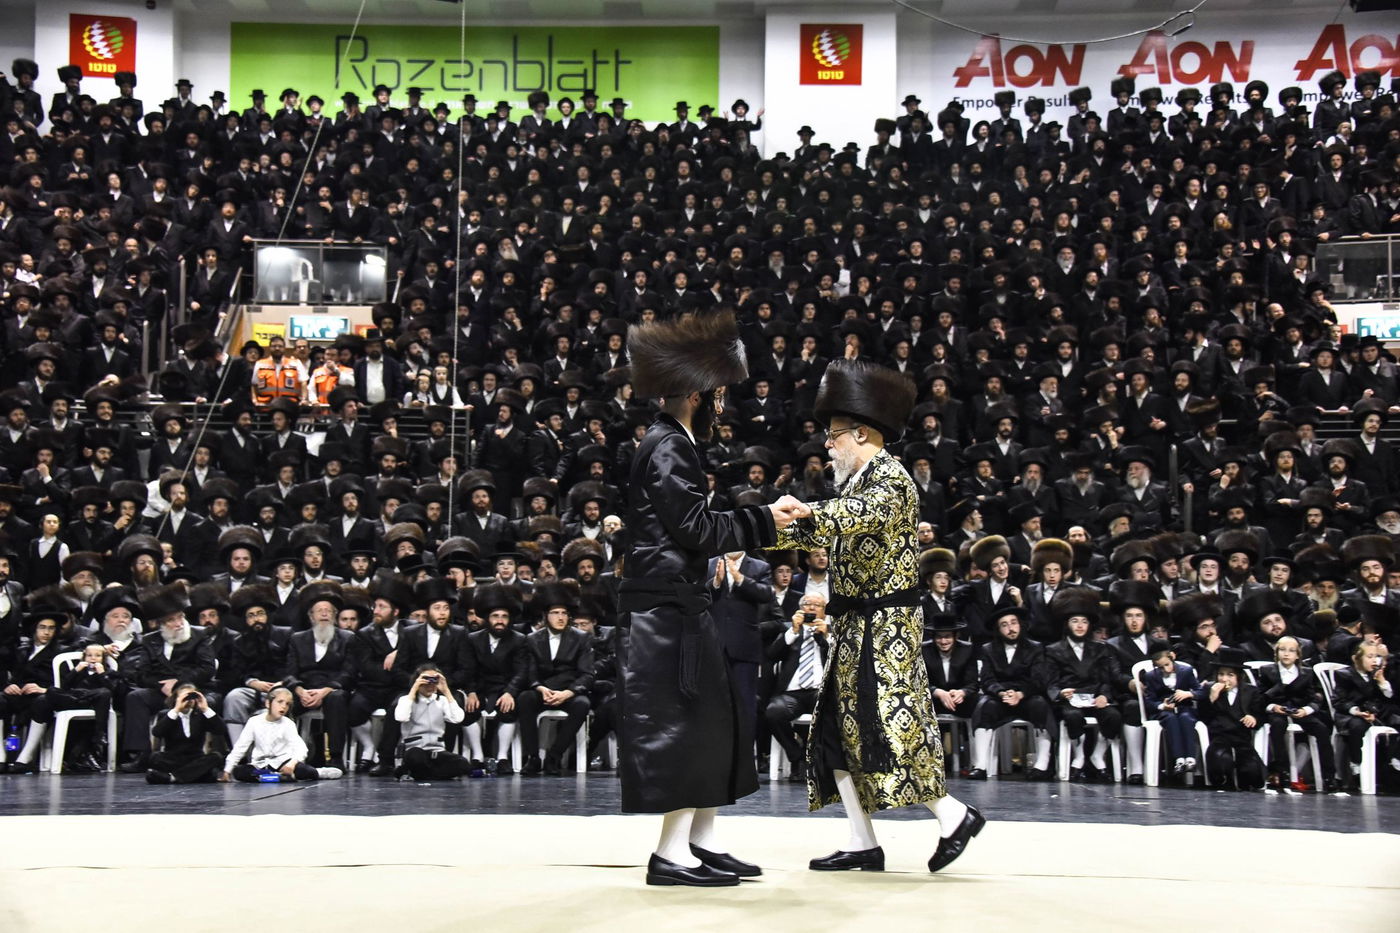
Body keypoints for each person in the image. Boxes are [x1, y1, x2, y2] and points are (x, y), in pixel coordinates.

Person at [777, 360, 981, 875]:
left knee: (890, 728)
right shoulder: (857, 482)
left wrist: (803, 512)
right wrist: (766, 525)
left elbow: (852, 518)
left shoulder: (889, 479)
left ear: (861, 433)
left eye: (834, 436)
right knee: (835, 733)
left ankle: (953, 815)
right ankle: (861, 840)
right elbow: (830, 526)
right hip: (854, 627)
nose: (828, 445)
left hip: (884, 629)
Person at [618, 309, 799, 887]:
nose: (724, 406)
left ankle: (700, 842)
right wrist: (765, 520)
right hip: (665, 609)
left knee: (711, 726)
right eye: (718, 396)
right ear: (699, 397)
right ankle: (669, 857)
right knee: (684, 730)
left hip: (681, 604)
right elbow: (696, 529)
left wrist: (760, 520)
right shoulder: (670, 447)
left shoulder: (673, 443)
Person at [1257, 635, 1339, 793]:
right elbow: (1260, 697)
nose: (1286, 654)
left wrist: (1306, 710)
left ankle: (1329, 776)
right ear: (1276, 652)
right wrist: (1273, 707)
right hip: (1278, 710)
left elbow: (1315, 698)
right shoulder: (1267, 671)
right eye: (1282, 650)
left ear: (1297, 655)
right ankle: (1282, 773)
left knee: (1321, 729)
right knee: (1277, 726)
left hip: (1300, 710)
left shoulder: (1306, 673)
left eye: (1291, 650)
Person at [764, 592, 831, 783]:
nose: (811, 608)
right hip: (792, 694)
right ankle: (797, 756)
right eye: (807, 604)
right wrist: (793, 631)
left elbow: (839, 661)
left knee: (832, 711)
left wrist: (825, 635)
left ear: (824, 611)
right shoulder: (790, 630)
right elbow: (771, 654)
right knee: (773, 712)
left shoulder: (832, 630)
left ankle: (821, 761)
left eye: (817, 605)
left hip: (819, 692)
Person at [219, 687, 343, 782]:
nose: (283, 706)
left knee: (303, 770)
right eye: (280, 702)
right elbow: (240, 747)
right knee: (239, 772)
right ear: (268, 703)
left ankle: (318, 772)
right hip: (262, 765)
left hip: (283, 763)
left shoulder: (287, 724)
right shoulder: (254, 721)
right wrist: (227, 769)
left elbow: (300, 748)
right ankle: (278, 777)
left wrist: (291, 764)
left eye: (287, 704)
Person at [1198, 646, 1266, 790]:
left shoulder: (1251, 691)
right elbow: (1203, 717)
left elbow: (1260, 715)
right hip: (1219, 736)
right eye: (1221, 674)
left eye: (1230, 675)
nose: (1224, 679)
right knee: (1221, 763)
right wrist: (1211, 699)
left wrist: (1253, 718)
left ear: (1239, 677)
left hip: (1242, 737)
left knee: (1252, 773)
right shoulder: (1210, 689)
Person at [394, 664, 471, 781]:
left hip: (437, 751)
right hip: (415, 750)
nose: (430, 683)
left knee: (462, 764)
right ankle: (429, 774)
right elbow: (401, 717)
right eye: (426, 680)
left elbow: (458, 718)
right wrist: (414, 689)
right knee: (416, 758)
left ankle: (419, 774)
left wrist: (446, 690)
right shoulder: (406, 700)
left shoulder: (442, 701)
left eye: (434, 680)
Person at [1140, 639, 1202, 781]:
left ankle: (1190, 758)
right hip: (1165, 711)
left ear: (1172, 657)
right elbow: (1149, 701)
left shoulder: (1186, 671)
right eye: (1160, 668)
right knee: (1171, 720)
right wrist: (1162, 705)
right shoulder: (1151, 676)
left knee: (1186, 719)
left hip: (1184, 708)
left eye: (1167, 665)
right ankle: (1179, 759)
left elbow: (1201, 691)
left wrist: (1188, 694)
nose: (1165, 670)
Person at [147, 682, 225, 784]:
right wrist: (176, 710)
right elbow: (157, 732)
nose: (189, 701)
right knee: (155, 758)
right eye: (184, 697)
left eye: (192, 697)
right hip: (173, 759)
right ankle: (190, 776)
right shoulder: (168, 715)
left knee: (216, 757)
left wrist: (205, 708)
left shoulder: (201, 715)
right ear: (176, 698)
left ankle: (173, 777)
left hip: (195, 760)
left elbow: (221, 729)